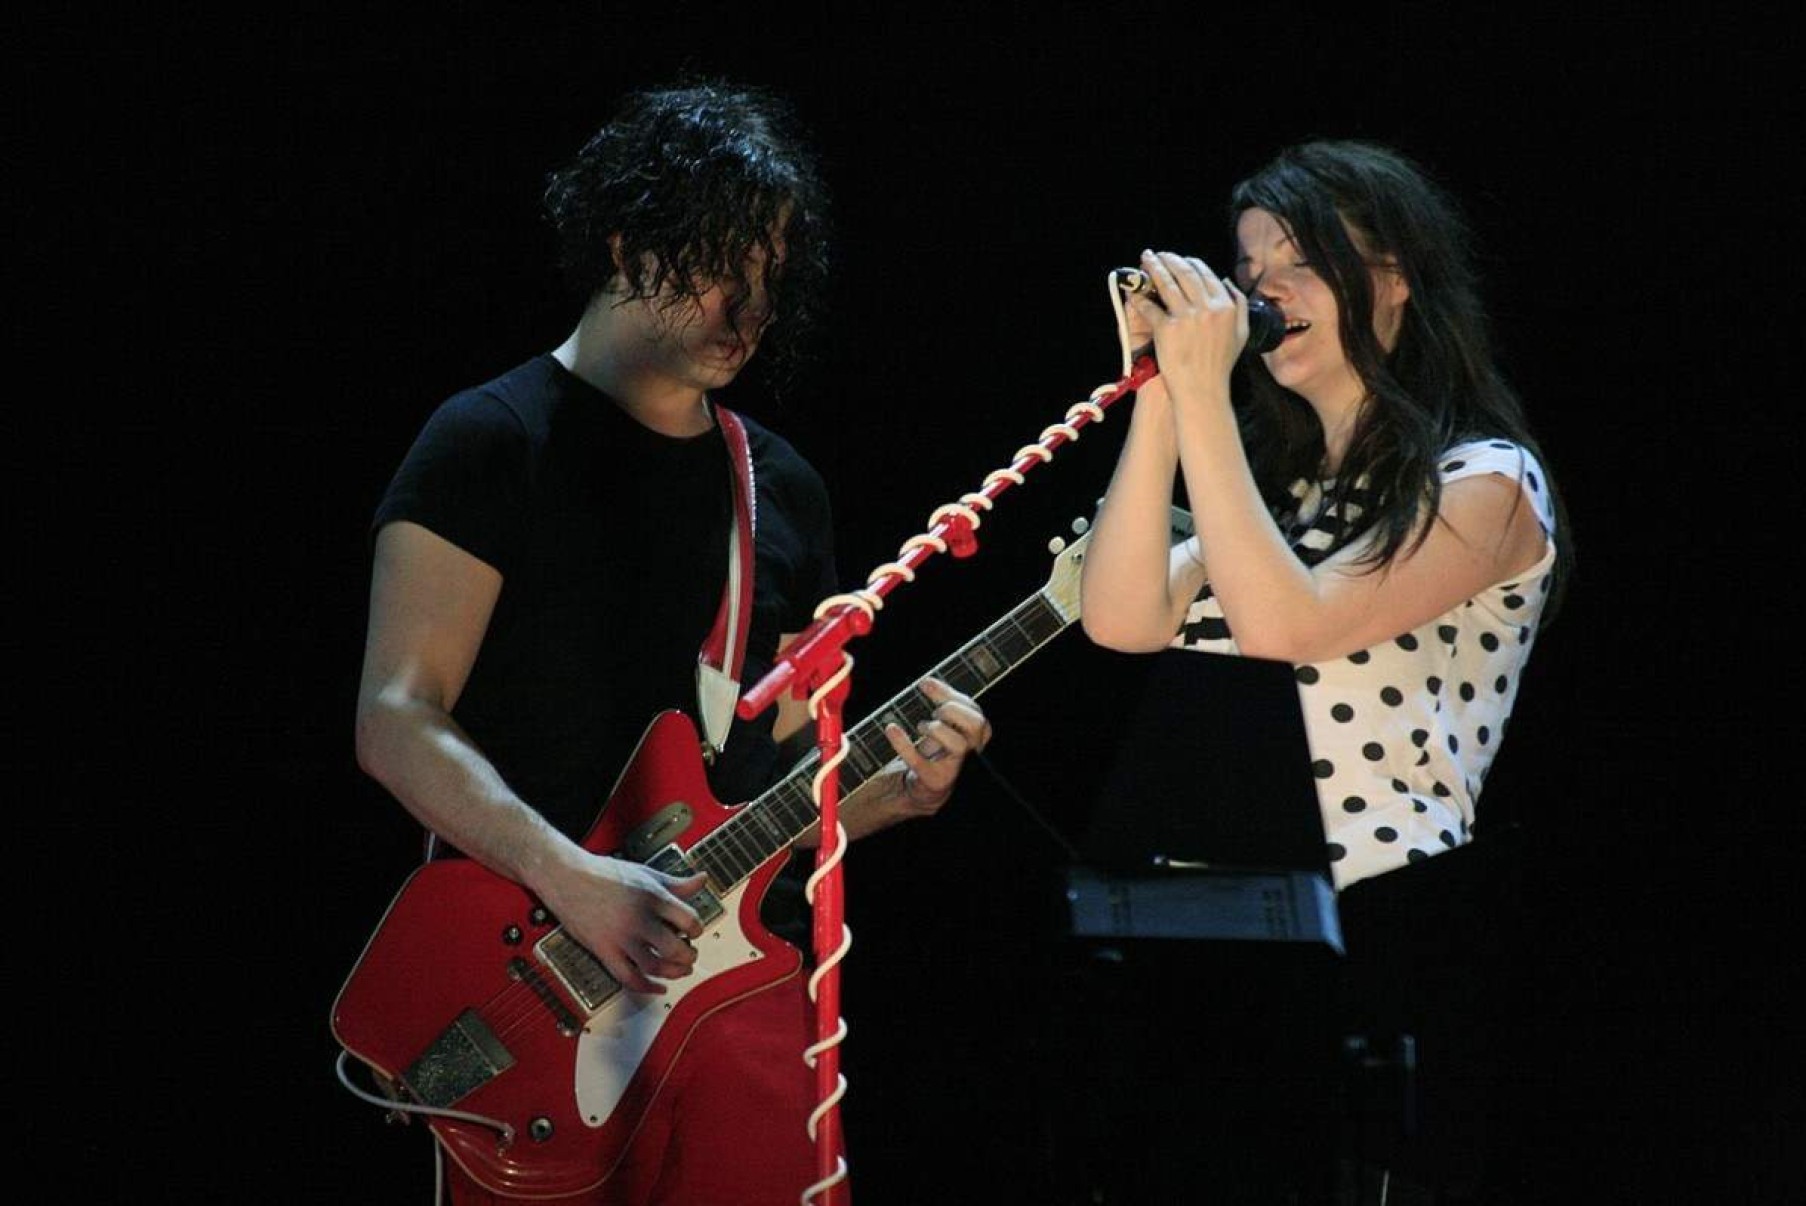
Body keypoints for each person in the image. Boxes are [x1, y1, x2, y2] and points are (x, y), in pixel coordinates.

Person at [352, 79, 991, 1205]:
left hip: (738, 1014)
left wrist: (888, 794)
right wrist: (574, 876)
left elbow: (777, 799)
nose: (745, 310)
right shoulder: (487, 443)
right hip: (535, 990)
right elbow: (395, 718)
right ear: (621, 239)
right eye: (713, 262)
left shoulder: (781, 489)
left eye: (768, 275)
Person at [1076, 140, 1572, 1203]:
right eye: (1248, 273)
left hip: (1384, 952)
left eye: (1297, 261)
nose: (1264, 294)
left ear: (1391, 278)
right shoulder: (1270, 495)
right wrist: (1164, 392)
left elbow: (1290, 625)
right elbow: (1118, 621)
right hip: (1224, 943)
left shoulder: (1487, 483)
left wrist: (1206, 403)